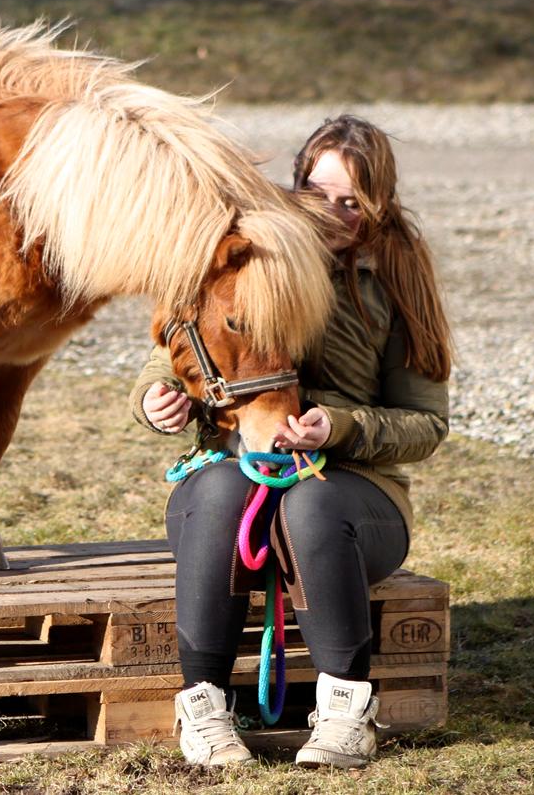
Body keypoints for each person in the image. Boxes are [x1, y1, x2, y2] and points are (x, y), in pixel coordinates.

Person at [130, 115, 452, 769]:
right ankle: (205, 709)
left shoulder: (398, 278)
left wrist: (340, 426)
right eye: (317, 191)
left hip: (356, 499)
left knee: (311, 505)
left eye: (352, 201)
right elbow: (179, 350)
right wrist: (154, 398)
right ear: (295, 183)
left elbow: (426, 424)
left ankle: (344, 714)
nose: (333, 213)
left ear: (379, 201)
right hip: (233, 494)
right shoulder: (246, 250)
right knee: (220, 487)